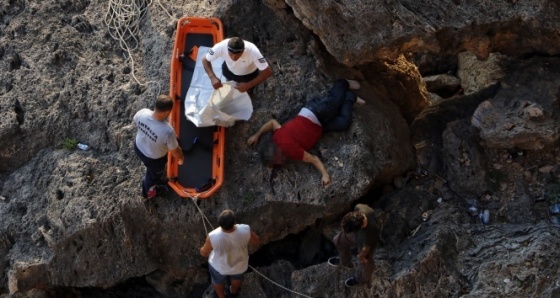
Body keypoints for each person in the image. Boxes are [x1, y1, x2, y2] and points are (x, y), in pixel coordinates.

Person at [246, 79, 364, 186]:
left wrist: (324, 174)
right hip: (318, 124)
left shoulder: (292, 152)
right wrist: (257, 135)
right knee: (343, 123)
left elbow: (314, 159)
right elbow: (272, 122)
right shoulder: (277, 137)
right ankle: (349, 97)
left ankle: (343, 83)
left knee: (334, 101)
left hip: (316, 113)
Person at [200, 210, 260, 298]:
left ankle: (221, 296)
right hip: (239, 264)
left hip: (219, 267)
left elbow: (204, 253)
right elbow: (256, 241)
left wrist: (201, 249)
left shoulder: (213, 236)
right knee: (237, 278)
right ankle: (233, 291)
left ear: (220, 224)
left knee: (217, 282)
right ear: (234, 222)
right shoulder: (245, 229)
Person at [133, 95, 184, 199]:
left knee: (171, 141)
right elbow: (175, 151)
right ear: (167, 113)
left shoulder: (142, 112)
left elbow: (137, 123)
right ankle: (148, 193)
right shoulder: (168, 131)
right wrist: (181, 158)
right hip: (154, 159)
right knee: (152, 176)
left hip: (138, 147)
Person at [328, 204, 380, 288]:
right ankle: (346, 262)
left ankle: (363, 279)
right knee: (337, 240)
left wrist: (362, 256)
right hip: (356, 234)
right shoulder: (359, 207)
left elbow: (365, 251)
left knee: (367, 265)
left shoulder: (369, 234)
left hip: (366, 243)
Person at [202, 36, 272, 93]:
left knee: (247, 92)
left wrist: (248, 85)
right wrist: (212, 77)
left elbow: (267, 72)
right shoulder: (220, 47)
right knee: (230, 87)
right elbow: (205, 60)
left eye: (238, 55)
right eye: (230, 54)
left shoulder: (252, 51)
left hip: (248, 76)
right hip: (229, 71)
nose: (233, 58)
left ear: (243, 50)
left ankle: (248, 103)